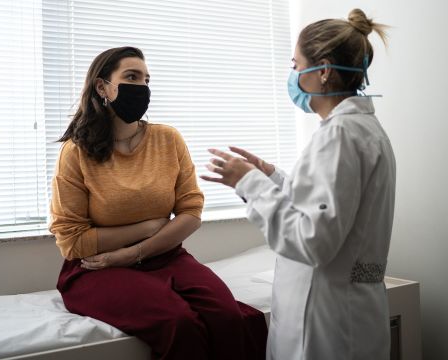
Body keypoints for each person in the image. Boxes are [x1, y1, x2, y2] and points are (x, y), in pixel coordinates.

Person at [49, 46, 267, 360]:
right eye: (131, 77)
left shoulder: (168, 140)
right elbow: (72, 242)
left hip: (165, 256)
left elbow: (191, 212)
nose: (142, 87)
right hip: (95, 268)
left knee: (231, 319)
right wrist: (148, 226)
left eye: (146, 80)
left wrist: (134, 252)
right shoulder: (76, 152)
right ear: (102, 87)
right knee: (178, 323)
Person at [201, 9, 394, 360]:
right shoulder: (362, 131)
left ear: (322, 71)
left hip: (329, 323)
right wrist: (269, 175)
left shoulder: (339, 135)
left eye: (295, 64)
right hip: (350, 311)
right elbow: (329, 205)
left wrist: (247, 181)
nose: (292, 75)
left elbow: (313, 241)